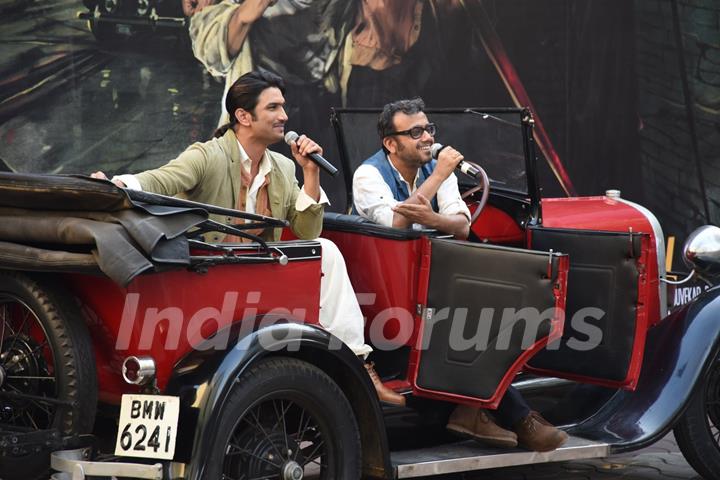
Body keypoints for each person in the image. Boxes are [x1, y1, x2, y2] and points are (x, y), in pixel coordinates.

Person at [91, 70, 405, 406]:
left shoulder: (283, 168)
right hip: (208, 277)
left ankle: (356, 363)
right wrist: (118, 185)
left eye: (283, 107)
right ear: (243, 116)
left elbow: (307, 232)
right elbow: (162, 179)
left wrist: (310, 172)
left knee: (324, 249)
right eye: (273, 108)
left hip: (259, 278)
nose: (284, 116)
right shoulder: (208, 155)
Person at [352, 98, 569, 452]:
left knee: (499, 300)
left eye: (429, 129)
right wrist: (438, 178)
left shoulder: (439, 171)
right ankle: (514, 416)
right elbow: (396, 222)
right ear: (391, 143)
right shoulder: (369, 174)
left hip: (433, 279)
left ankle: (474, 409)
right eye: (415, 132)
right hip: (386, 290)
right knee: (469, 318)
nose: (426, 138)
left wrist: (435, 213)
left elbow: (462, 226)